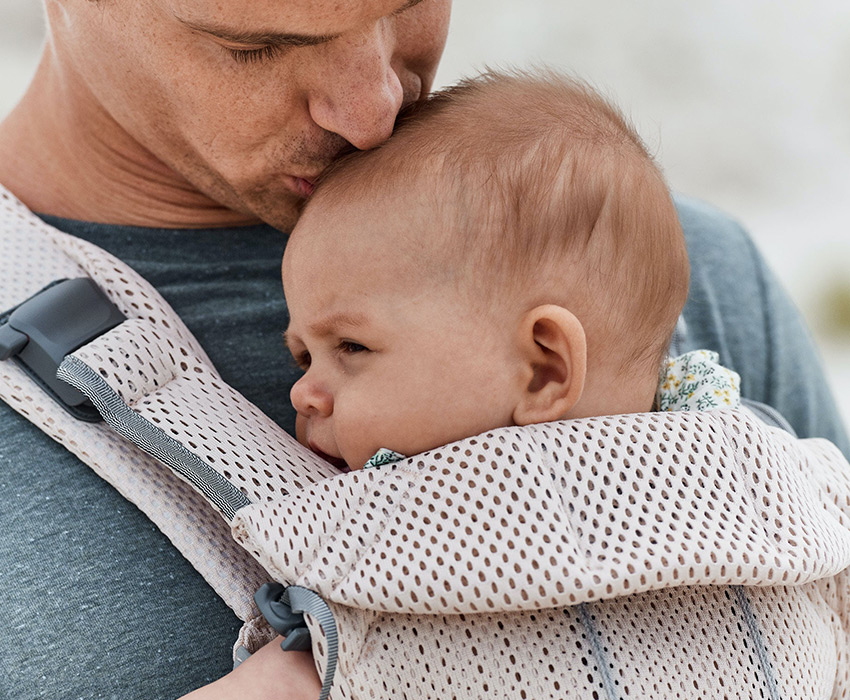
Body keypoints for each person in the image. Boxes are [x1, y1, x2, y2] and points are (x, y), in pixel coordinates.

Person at [0, 1, 846, 698]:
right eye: (254, 45)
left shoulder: (678, 280)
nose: (372, 111)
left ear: (551, 361)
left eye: (406, 8)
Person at [283, 70, 695, 473]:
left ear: (542, 371)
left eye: (352, 346)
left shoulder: (730, 472)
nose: (302, 394)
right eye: (304, 357)